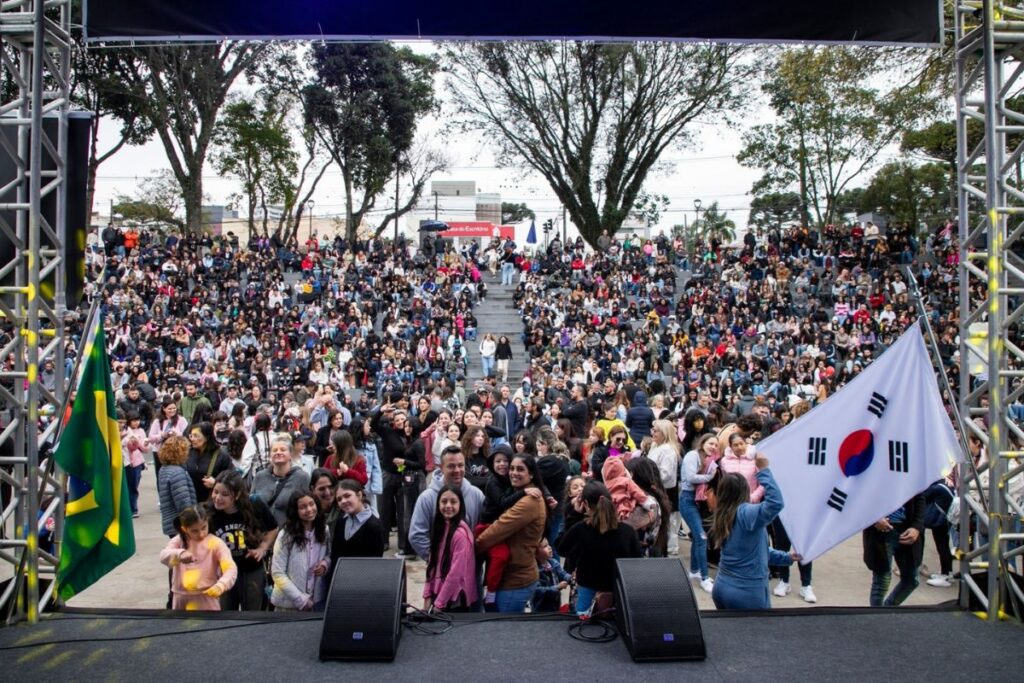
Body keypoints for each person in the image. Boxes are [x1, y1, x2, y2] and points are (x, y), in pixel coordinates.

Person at [709, 453, 795, 610]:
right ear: (744, 491)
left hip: (722, 588)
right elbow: (776, 503)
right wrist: (764, 470)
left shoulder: (723, 514)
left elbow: (756, 551)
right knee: (757, 634)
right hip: (747, 593)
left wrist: (786, 558)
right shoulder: (745, 513)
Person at [555, 480, 643, 615]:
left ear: (585, 505)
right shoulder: (628, 531)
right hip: (618, 590)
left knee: (583, 628)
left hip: (587, 589)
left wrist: (573, 516)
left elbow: (562, 548)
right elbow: (637, 561)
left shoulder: (581, 529)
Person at [476, 454, 548, 613]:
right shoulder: (520, 493)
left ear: (531, 474)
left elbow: (497, 531)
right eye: (512, 468)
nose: (514, 473)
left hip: (515, 580)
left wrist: (472, 549)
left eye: (520, 469)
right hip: (514, 575)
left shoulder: (529, 501)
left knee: (503, 632)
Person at [207, 470, 278, 611]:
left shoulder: (255, 505)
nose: (218, 498)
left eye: (225, 494)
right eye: (215, 492)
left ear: (238, 495)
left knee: (253, 612)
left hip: (251, 570)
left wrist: (263, 547)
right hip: (223, 573)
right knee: (226, 613)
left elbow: (273, 528)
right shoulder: (208, 511)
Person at [409, 446, 486, 561]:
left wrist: (473, 557)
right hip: (440, 573)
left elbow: (483, 531)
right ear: (441, 468)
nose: (457, 470)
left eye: (460, 465)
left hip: (471, 570)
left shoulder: (477, 495)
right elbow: (417, 535)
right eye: (451, 466)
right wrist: (438, 560)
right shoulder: (427, 498)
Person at [160, 506, 238, 611]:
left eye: (203, 528)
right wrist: (179, 554)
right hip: (181, 596)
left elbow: (230, 568)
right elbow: (163, 556)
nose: (201, 534)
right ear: (184, 529)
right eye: (194, 531)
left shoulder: (215, 543)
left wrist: (221, 585)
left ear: (208, 523)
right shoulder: (179, 541)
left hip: (207, 595)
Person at [423, 484, 480, 612]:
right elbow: (432, 565)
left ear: (460, 505)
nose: (448, 505)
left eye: (453, 502)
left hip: (455, 600)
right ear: (438, 505)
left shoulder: (460, 535)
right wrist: (427, 595)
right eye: (444, 501)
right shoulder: (440, 528)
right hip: (440, 595)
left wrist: (439, 604)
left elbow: (456, 574)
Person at [270, 491, 331, 611]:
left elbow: (329, 554)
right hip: (287, 605)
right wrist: (300, 599)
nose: (309, 509)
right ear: (295, 511)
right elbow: (278, 573)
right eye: (302, 507)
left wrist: (325, 564)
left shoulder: (324, 529)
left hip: (316, 601)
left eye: (311, 504)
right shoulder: (286, 535)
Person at [863, 493, 926, 607]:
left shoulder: (912, 475)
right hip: (881, 531)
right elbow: (861, 494)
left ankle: (887, 610)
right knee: (882, 581)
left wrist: (916, 527)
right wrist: (873, 518)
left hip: (908, 530)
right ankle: (876, 617)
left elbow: (920, 497)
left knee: (912, 580)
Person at [679, 433, 720, 593]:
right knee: (702, 537)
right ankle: (704, 578)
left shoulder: (707, 460)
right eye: (710, 443)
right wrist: (709, 477)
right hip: (688, 500)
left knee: (698, 537)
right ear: (702, 443)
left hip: (697, 501)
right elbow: (690, 477)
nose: (713, 447)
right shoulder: (692, 455)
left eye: (716, 445)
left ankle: (694, 571)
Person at [251, 434, 311, 525]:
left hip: (289, 532)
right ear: (270, 455)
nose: (278, 452)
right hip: (262, 532)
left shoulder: (302, 477)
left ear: (290, 454)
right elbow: (251, 504)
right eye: (274, 450)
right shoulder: (259, 477)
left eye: (283, 450)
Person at [330, 480, 385, 565]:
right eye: (339, 499)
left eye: (347, 496)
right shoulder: (341, 521)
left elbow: (374, 562)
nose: (343, 501)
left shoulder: (374, 526)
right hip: (339, 575)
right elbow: (335, 553)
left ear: (359, 495)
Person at [647, 419, 682, 555]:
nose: (653, 433)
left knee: (663, 525)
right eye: (653, 430)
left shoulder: (668, 450)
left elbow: (666, 474)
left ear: (664, 433)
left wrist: (650, 480)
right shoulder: (656, 446)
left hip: (661, 491)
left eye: (656, 431)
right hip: (655, 490)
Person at [157, 435, 197, 537]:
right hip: (180, 524)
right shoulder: (177, 473)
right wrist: (193, 521)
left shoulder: (164, 469)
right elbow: (183, 502)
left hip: (170, 522)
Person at [184, 421, 233, 503]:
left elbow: (231, 477)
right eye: (191, 436)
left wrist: (215, 482)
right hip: (190, 500)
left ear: (207, 437)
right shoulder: (189, 452)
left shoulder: (221, 456)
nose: (192, 439)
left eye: (196, 436)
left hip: (211, 502)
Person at [120, 410, 150, 518]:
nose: (136, 423)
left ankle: (133, 508)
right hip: (126, 461)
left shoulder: (141, 431)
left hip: (137, 462)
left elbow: (144, 449)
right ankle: (127, 508)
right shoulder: (124, 432)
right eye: (133, 421)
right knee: (127, 486)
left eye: (137, 420)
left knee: (133, 486)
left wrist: (144, 443)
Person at [531, 537, 573, 612]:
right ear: (535, 553)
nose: (550, 547)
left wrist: (572, 578)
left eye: (548, 545)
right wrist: (557, 587)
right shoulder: (535, 570)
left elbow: (563, 574)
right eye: (545, 546)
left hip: (555, 604)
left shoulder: (553, 563)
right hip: (540, 607)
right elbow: (538, 590)